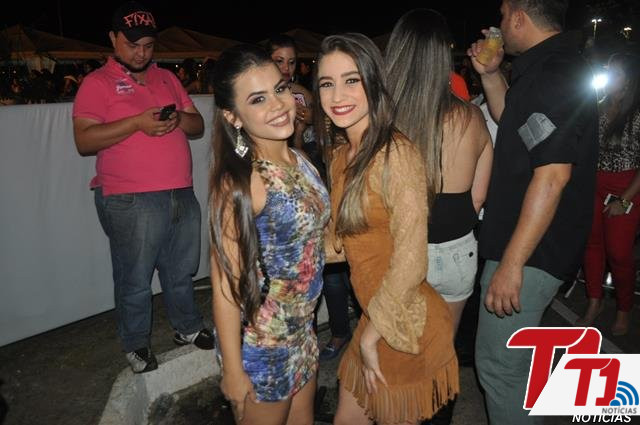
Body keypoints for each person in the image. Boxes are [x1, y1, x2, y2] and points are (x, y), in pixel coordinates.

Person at [466, 1, 598, 424]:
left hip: (530, 250)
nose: (500, 24)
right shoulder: (549, 68)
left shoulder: (554, 73)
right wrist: (490, 75)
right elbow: (516, 124)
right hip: (532, 247)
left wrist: (512, 264)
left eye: (504, 14)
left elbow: (553, 175)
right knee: (514, 368)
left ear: (520, 17)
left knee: (499, 368)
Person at [317, 33, 458, 425]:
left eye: (351, 80)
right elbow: (340, 244)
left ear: (374, 83)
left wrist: (369, 336)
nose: (337, 95)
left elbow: (412, 260)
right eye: (327, 83)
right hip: (375, 316)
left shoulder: (396, 154)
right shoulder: (341, 156)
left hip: (406, 326)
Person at [72, 1, 213, 374]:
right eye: (132, 44)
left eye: (148, 45)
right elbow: (84, 140)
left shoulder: (167, 79)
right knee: (135, 278)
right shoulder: (96, 83)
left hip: (180, 190)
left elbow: (198, 125)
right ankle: (135, 344)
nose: (141, 53)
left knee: (181, 269)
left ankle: (187, 326)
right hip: (129, 197)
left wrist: (177, 117)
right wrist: (136, 123)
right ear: (113, 39)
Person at [209, 44, 329, 425]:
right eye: (258, 99)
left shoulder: (301, 160)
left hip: (303, 331)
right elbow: (226, 286)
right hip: (262, 346)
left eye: (280, 89)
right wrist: (233, 371)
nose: (278, 105)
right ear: (233, 116)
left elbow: (311, 245)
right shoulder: (242, 182)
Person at [386, 7, 493, 337]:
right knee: (442, 347)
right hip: (457, 249)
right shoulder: (473, 117)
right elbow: (478, 198)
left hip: (401, 248)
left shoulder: (384, 119)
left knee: (401, 347)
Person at [578, 52, 640, 336]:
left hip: (627, 186)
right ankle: (595, 301)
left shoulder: (637, 113)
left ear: (629, 80)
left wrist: (624, 199)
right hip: (594, 183)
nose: (609, 76)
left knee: (619, 252)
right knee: (591, 244)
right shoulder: (599, 106)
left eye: (615, 73)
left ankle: (624, 308)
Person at [266, 35, 314, 152]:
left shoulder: (302, 93)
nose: (286, 68)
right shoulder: (258, 95)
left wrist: (312, 119)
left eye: (291, 62)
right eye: (279, 61)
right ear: (266, 61)